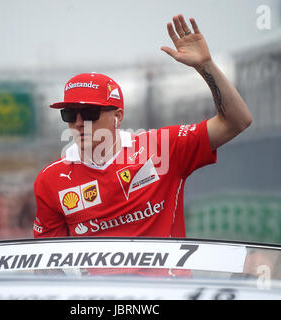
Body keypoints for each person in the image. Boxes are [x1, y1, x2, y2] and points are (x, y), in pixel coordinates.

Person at [33, 14, 252, 239]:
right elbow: (47, 263)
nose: (78, 122)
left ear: (117, 116)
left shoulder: (162, 147)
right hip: (96, 277)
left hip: (164, 275)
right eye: (69, 114)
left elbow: (236, 122)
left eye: (90, 113)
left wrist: (206, 66)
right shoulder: (50, 180)